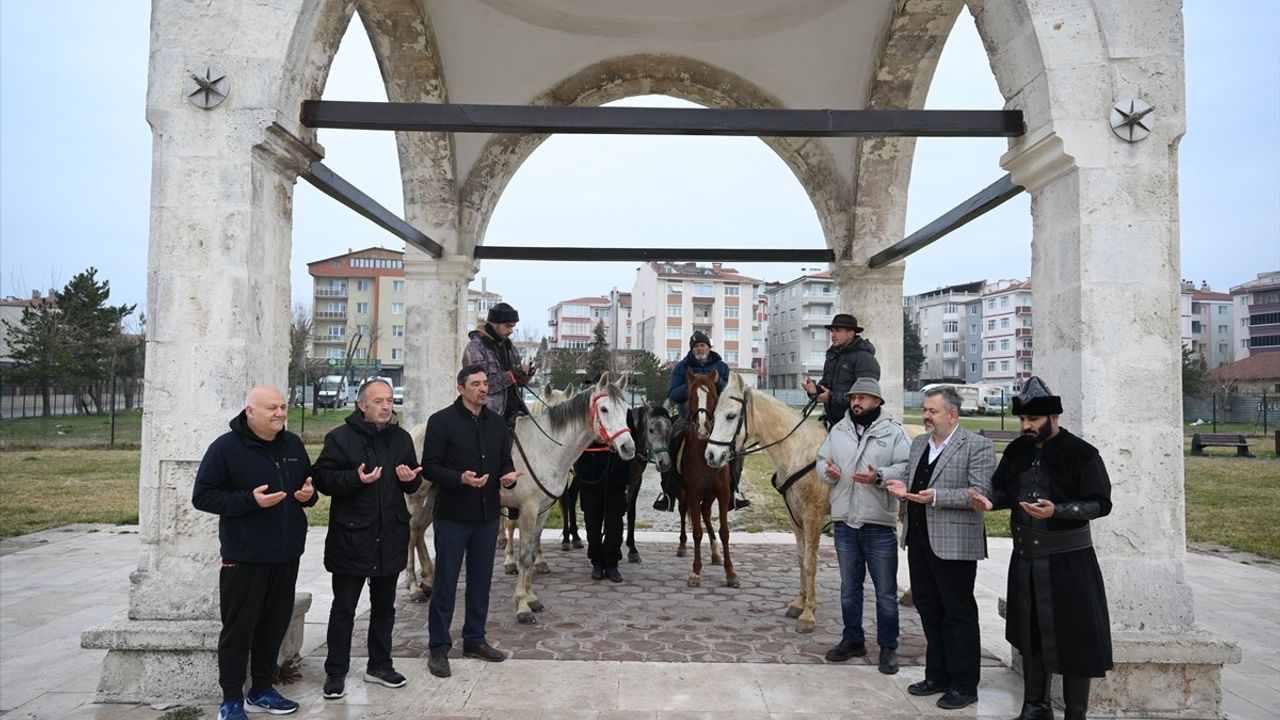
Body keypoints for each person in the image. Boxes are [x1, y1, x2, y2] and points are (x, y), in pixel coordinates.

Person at [967, 377, 1112, 720]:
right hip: (1026, 559)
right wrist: (989, 502)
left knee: (1076, 638)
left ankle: (1075, 714)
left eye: (1032, 420)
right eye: (1022, 420)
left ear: (1053, 417)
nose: (1026, 426)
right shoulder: (1018, 450)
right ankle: (1035, 706)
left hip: (1069, 562)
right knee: (1030, 633)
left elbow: (1099, 503)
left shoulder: (1082, 453)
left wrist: (1057, 511)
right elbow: (1004, 491)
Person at [192, 386, 317, 720]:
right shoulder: (226, 448)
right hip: (244, 556)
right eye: (272, 408)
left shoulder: (292, 444)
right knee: (238, 630)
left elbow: (308, 487)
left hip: (287, 554)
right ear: (250, 411)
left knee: (273, 626)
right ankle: (231, 700)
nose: (280, 413)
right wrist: (250, 501)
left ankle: (261, 690)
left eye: (283, 407)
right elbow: (203, 497)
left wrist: (309, 495)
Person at [311, 377, 423, 700]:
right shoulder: (340, 439)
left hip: (390, 536)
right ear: (362, 405)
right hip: (352, 538)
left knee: (384, 607)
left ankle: (380, 665)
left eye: (389, 400)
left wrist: (409, 480)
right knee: (344, 608)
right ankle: (335, 672)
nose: (387, 406)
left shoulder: (402, 439)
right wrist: (354, 479)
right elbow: (322, 478)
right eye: (379, 401)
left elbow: (412, 483)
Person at [885, 385, 994, 711]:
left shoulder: (977, 445)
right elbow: (908, 475)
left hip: (955, 544)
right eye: (925, 410)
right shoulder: (919, 443)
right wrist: (900, 485)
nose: (926, 415)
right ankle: (937, 675)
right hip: (919, 541)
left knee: (957, 613)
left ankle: (964, 684)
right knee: (930, 610)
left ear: (952, 414)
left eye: (932, 411)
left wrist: (938, 497)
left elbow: (979, 492)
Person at [421, 365, 521, 678]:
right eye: (476, 384)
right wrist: (459, 478)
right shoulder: (441, 422)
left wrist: (508, 477)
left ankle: (474, 640)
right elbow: (430, 467)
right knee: (446, 583)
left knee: (481, 583)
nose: (483, 388)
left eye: (485, 383)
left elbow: (505, 460)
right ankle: (438, 647)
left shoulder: (496, 424)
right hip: (452, 516)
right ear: (460, 388)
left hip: (487, 516)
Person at [815, 378, 910, 675]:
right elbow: (821, 461)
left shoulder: (893, 433)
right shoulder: (839, 430)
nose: (856, 402)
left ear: (877, 402)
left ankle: (888, 647)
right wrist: (828, 472)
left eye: (864, 398)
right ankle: (852, 639)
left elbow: (907, 466)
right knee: (849, 589)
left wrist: (879, 476)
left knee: (884, 592)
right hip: (845, 522)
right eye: (854, 397)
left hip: (878, 523)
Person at [654, 330, 749, 511]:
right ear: (692, 349)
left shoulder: (721, 366)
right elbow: (673, 393)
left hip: (718, 421)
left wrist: (717, 383)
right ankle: (667, 494)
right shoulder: (682, 367)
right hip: (688, 418)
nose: (699, 349)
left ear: (708, 347)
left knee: (738, 449)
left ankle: (733, 492)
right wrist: (692, 386)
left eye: (702, 345)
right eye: (696, 346)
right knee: (671, 443)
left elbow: (731, 392)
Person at [461, 302, 535, 422]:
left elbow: (516, 381)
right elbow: (480, 386)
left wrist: (525, 375)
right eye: (507, 326)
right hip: (488, 416)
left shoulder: (509, 347)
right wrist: (511, 375)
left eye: (513, 326)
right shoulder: (475, 348)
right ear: (494, 323)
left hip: (516, 411)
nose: (511, 330)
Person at [803, 313, 880, 428]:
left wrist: (831, 397)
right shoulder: (832, 357)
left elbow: (865, 396)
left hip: (859, 425)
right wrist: (815, 390)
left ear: (851, 333)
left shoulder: (864, 359)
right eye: (832, 331)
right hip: (834, 422)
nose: (833, 335)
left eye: (838, 331)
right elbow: (827, 388)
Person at [574, 437, 630, 583]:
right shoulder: (586, 415)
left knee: (615, 523)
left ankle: (612, 563)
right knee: (592, 522)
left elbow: (631, 441)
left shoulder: (625, 415)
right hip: (589, 472)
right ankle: (597, 562)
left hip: (616, 474)